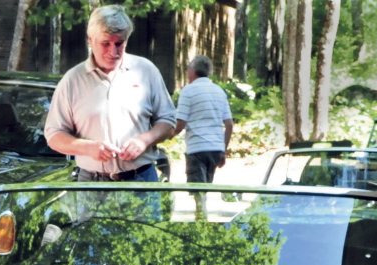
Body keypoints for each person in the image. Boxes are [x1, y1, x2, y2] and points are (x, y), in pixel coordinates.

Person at [44, 5, 175, 182]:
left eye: (119, 43)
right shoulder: (72, 80)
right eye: (105, 43)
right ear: (91, 40)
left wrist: (144, 140)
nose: (113, 52)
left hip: (141, 179)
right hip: (91, 182)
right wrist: (87, 147)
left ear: (126, 40)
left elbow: (168, 121)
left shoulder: (146, 71)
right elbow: (54, 135)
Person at [174, 55, 234, 184]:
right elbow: (229, 124)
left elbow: (180, 124)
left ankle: (201, 205)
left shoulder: (188, 91)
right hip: (216, 149)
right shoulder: (219, 91)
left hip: (197, 147)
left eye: (188, 69)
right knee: (207, 186)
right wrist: (223, 149)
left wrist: (166, 135)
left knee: (198, 190)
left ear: (193, 71)